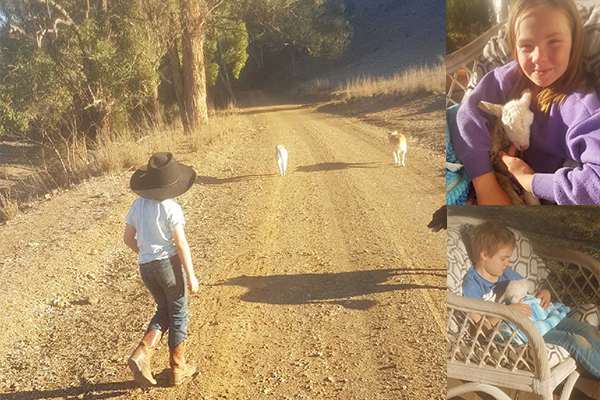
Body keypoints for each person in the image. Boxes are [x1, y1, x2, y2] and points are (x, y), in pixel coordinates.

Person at [452, 0, 600, 205]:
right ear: (514, 46)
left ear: (574, 41)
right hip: (493, 177)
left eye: (554, 41)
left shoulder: (581, 105)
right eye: (526, 45)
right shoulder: (509, 78)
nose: (539, 57)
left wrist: (530, 180)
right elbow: (466, 114)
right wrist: (485, 183)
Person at [462, 221, 600, 379]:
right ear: (484, 255)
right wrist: (508, 311)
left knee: (587, 330)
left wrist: (544, 293)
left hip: (539, 318)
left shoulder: (504, 273)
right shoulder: (473, 285)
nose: (507, 263)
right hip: (522, 333)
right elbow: (477, 331)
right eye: (503, 258)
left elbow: (529, 295)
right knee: (575, 341)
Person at [123, 152, 200, 386]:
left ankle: (143, 352)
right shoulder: (171, 207)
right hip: (168, 265)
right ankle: (178, 368)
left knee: (164, 309)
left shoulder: (137, 205)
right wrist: (191, 275)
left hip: (146, 267)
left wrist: (146, 254)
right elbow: (180, 244)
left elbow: (127, 238)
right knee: (178, 313)